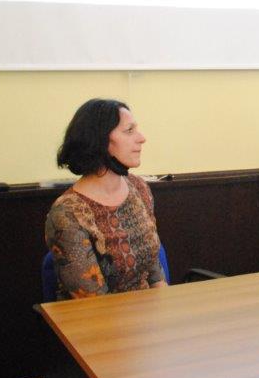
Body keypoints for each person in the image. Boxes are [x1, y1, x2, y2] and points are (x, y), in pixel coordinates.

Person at [44, 98, 167, 299]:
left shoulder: (139, 188)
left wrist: (167, 308)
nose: (142, 138)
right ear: (99, 140)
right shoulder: (67, 214)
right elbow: (95, 305)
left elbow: (155, 274)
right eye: (129, 131)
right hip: (101, 316)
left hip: (147, 311)